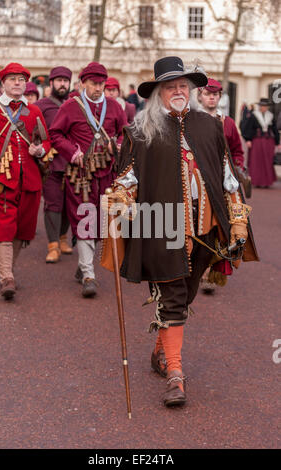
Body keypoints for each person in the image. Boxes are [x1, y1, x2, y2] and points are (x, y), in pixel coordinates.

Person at [102, 56, 258, 407]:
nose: (178, 91)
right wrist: (120, 200)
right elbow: (127, 180)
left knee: (184, 296)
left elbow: (228, 178)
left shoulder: (209, 126)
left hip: (206, 228)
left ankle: (160, 351)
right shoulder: (139, 132)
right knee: (172, 297)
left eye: (183, 86)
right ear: (157, 93)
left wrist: (236, 219)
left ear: (191, 90)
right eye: (170, 86)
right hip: (161, 227)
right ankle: (175, 374)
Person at [50, 61, 127, 297]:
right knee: (84, 219)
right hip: (80, 175)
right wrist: (72, 152)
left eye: (102, 83)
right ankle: (88, 275)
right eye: (94, 83)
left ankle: (83, 264)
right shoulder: (71, 107)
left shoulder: (114, 107)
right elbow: (55, 133)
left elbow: (125, 133)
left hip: (107, 174)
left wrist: (120, 145)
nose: (98, 88)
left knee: (101, 223)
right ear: (83, 83)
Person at [0, 62, 51, 300]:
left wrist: (40, 151)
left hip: (30, 181)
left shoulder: (34, 112)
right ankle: (6, 278)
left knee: (22, 230)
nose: (17, 83)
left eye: (21, 79)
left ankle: (8, 270)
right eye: (12, 79)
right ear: (2, 84)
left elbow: (46, 142)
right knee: (3, 227)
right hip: (1, 179)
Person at [197, 78, 249, 294]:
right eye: (208, 94)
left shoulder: (227, 123)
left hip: (222, 184)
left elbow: (237, 150)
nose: (212, 97)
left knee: (221, 227)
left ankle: (211, 271)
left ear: (219, 97)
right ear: (200, 95)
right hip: (197, 182)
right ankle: (196, 270)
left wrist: (237, 166)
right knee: (198, 226)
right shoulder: (192, 120)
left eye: (216, 94)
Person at [35, 66, 73, 263]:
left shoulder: (75, 104)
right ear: (51, 83)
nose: (62, 84)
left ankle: (63, 237)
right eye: (58, 80)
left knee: (69, 203)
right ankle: (52, 244)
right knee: (52, 203)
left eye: (65, 81)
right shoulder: (41, 105)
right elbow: (33, 133)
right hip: (50, 163)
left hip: (73, 164)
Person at [241, 98, 279, 188]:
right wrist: (248, 140)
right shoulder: (253, 115)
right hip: (256, 140)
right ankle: (257, 181)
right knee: (256, 161)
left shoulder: (271, 116)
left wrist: (277, 142)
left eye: (265, 106)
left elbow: (275, 129)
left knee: (268, 161)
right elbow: (247, 127)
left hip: (268, 141)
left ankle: (267, 182)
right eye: (262, 106)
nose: (264, 108)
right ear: (259, 106)